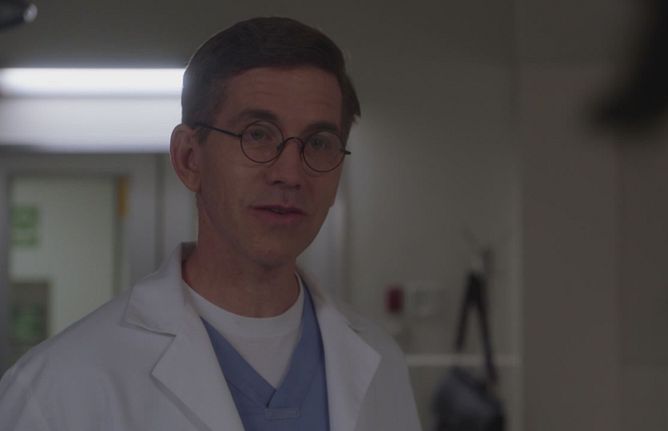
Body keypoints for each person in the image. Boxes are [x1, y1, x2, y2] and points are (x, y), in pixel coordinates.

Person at [0, 17, 421, 431]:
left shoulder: (380, 362)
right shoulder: (60, 386)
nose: (291, 174)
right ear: (189, 158)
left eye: (319, 143)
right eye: (257, 134)